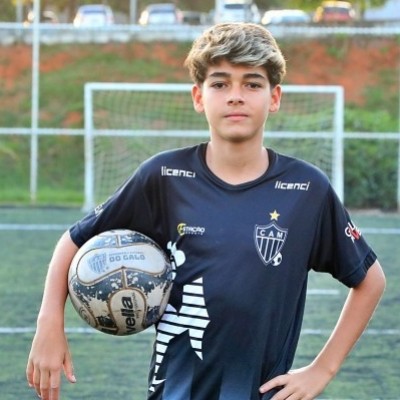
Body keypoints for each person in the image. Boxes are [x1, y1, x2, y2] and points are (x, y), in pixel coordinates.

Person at [26, 22, 386, 400]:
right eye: (220, 84)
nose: (236, 96)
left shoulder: (306, 189)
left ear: (274, 97)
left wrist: (323, 368)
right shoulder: (164, 177)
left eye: (252, 84)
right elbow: (74, 240)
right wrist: (49, 323)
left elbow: (370, 280)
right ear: (199, 97)